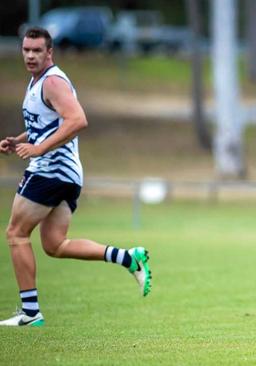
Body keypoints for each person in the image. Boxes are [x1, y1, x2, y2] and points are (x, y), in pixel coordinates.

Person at [0, 27, 152, 327]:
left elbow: (78, 120)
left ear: (49, 53)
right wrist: (18, 141)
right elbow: (46, 124)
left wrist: (39, 149)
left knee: (15, 234)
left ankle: (30, 313)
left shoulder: (53, 81)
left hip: (50, 171)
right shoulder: (39, 83)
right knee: (55, 245)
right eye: (26, 50)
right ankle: (128, 258)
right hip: (67, 174)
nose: (30, 55)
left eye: (37, 51)